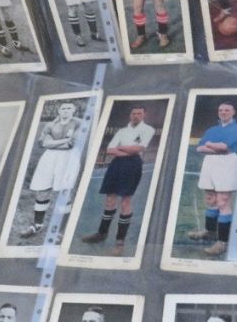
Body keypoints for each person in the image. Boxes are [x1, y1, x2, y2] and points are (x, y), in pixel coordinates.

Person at [81, 105, 156, 256]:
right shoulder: (122, 131)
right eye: (133, 113)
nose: (136, 115)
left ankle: (119, 243)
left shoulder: (148, 129)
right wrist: (127, 150)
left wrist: (121, 148)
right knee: (110, 199)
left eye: (139, 113)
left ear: (144, 115)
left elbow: (138, 149)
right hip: (116, 164)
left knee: (125, 201)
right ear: (130, 115)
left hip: (133, 165)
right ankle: (101, 233)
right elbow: (110, 150)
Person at [187, 103, 237, 257]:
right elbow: (200, 148)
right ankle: (210, 231)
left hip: (227, 163)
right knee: (210, 200)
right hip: (210, 163)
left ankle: (222, 242)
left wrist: (210, 144)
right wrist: (215, 146)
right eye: (220, 110)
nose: (223, 112)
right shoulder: (212, 129)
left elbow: (225, 147)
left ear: (233, 112)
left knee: (222, 202)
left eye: (227, 110)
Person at [19, 102, 84, 238]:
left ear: (73, 110)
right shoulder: (50, 124)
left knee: (64, 192)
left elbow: (71, 144)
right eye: (63, 108)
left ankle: (61, 230)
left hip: (68, 158)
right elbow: (42, 142)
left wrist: (52, 143)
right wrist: (63, 141)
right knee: (42, 190)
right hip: (49, 157)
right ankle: (37, 225)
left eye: (69, 108)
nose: (66, 110)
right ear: (59, 111)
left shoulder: (79, 123)